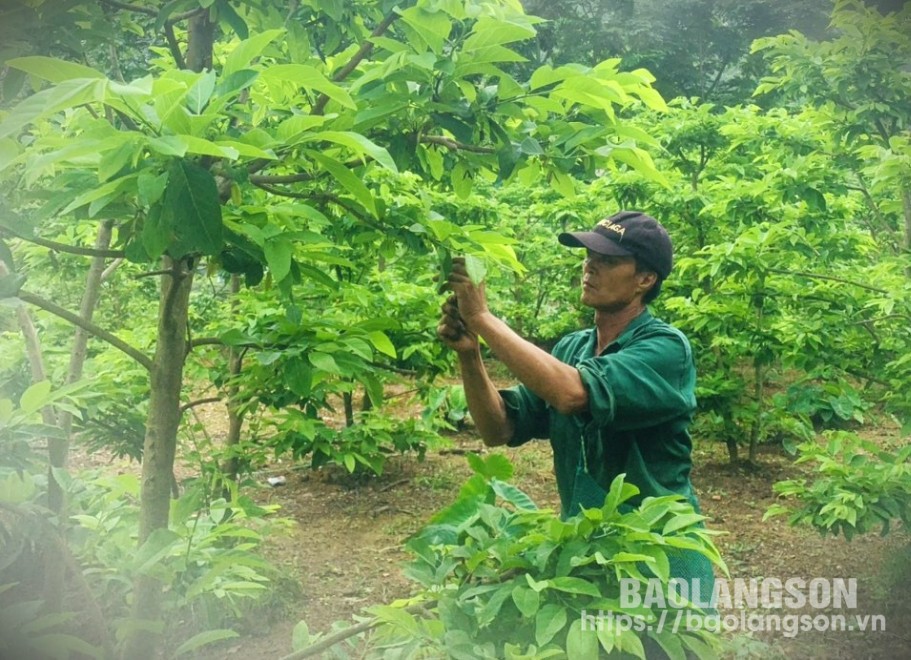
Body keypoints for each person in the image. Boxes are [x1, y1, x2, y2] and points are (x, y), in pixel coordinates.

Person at [437, 209, 714, 604]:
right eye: (588, 257)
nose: (590, 268)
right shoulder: (572, 349)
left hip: (659, 556)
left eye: (608, 260)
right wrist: (470, 355)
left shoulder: (667, 349)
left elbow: (573, 394)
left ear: (645, 279)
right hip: (587, 552)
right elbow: (499, 428)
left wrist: (480, 316)